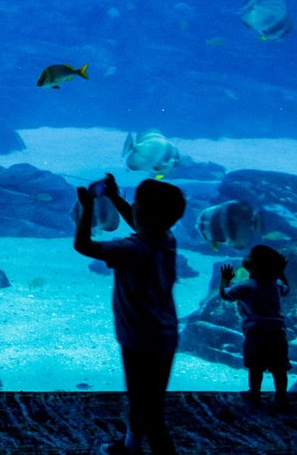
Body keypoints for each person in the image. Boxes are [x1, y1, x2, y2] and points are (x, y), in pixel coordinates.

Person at [74, 173, 185, 455]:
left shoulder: (131, 249)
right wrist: (114, 197)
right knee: (144, 401)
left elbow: (83, 246)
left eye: (136, 203)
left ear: (144, 211)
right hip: (163, 335)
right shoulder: (166, 239)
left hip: (139, 339)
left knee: (150, 413)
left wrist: (87, 209)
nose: (133, 207)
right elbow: (141, 222)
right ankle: (130, 447)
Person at [219, 244, 291, 411]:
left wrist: (225, 279)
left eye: (250, 255)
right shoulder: (276, 285)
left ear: (253, 266)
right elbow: (286, 289)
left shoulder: (244, 286)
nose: (247, 256)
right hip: (278, 334)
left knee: (255, 367)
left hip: (256, 334)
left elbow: (225, 294)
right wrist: (280, 272)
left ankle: (255, 394)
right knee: (279, 368)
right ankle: (281, 397)